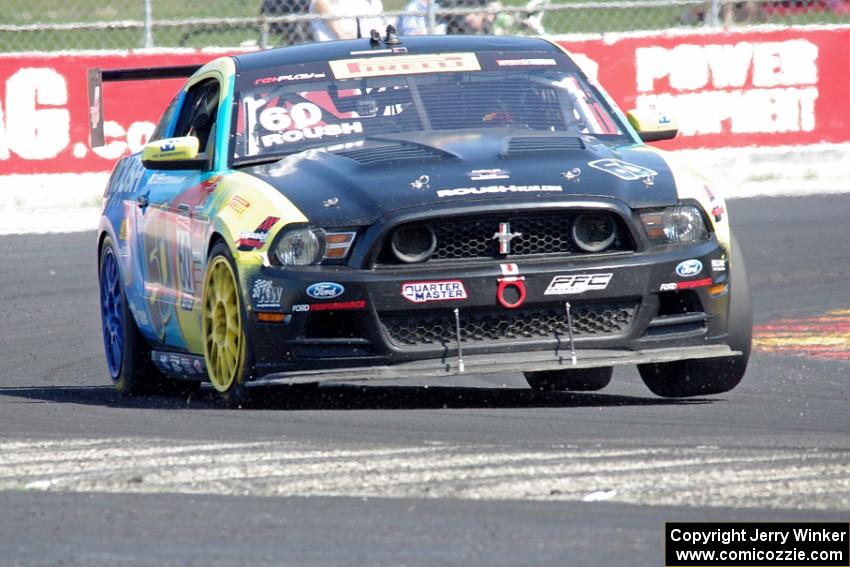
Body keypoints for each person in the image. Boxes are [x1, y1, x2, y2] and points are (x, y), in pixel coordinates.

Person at [309, 0, 386, 41]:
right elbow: (320, 3)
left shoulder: (374, 3)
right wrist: (341, 34)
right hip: (335, 49)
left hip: (371, 46)